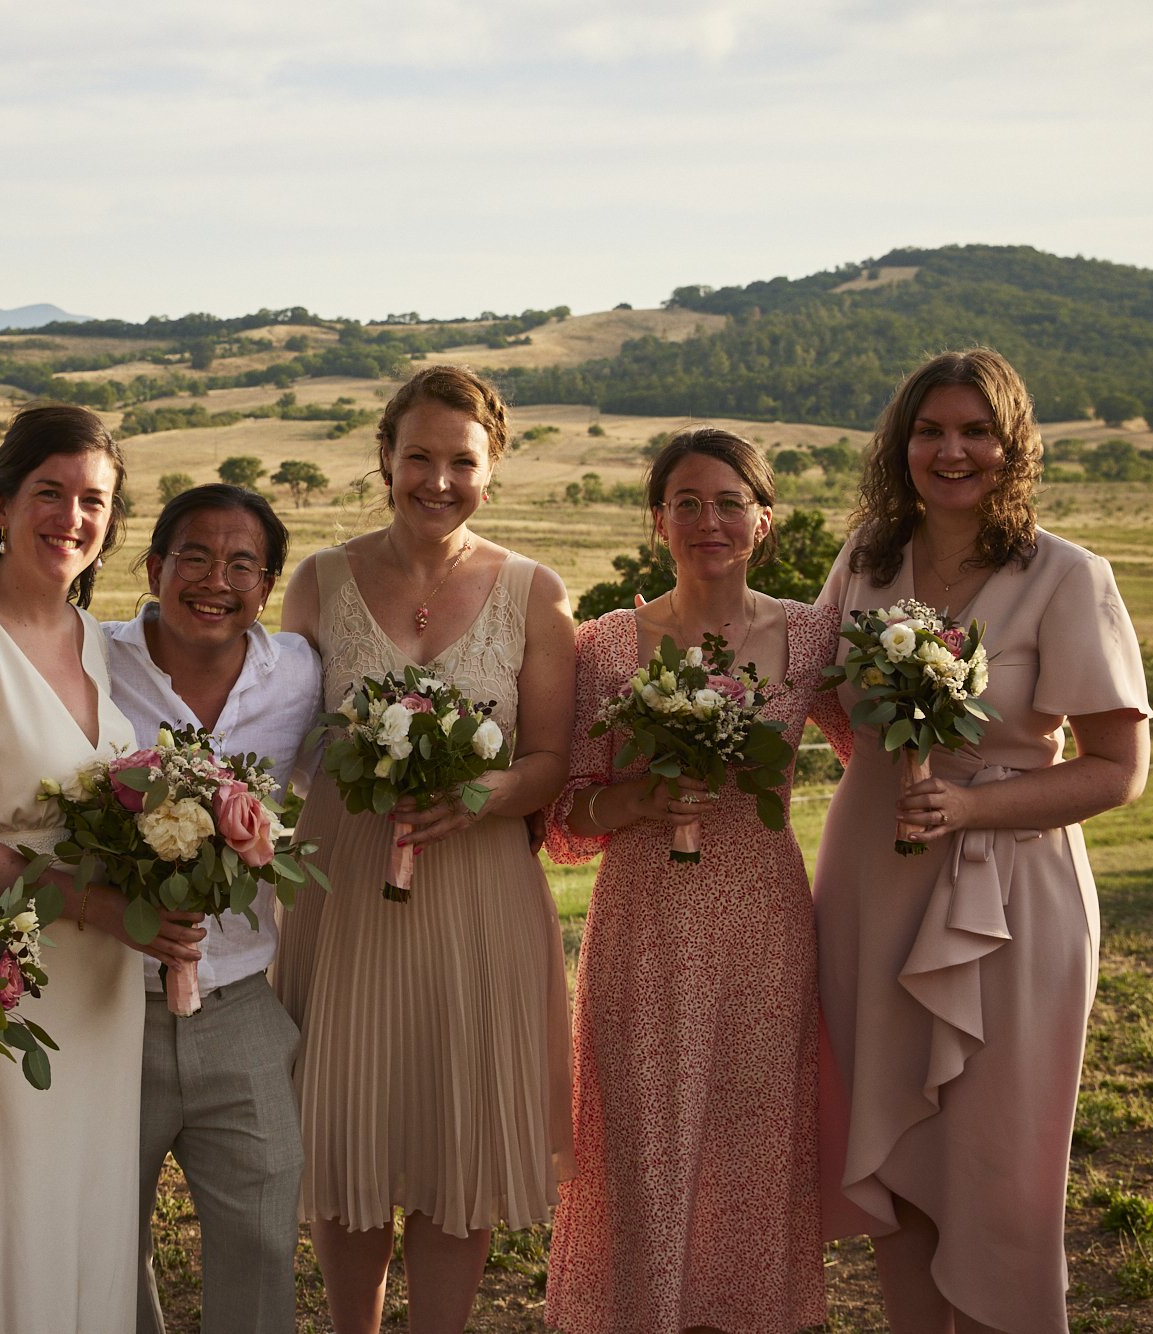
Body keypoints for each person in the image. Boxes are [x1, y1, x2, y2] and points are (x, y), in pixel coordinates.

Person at [815, 349, 1150, 1333]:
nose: (948, 450)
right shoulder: (865, 560)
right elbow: (833, 702)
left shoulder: (1065, 575)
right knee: (888, 1143)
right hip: (872, 877)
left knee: (1000, 1163)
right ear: (899, 444)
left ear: (1011, 445)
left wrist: (967, 806)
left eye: (973, 430)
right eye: (927, 430)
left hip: (1013, 898)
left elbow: (1114, 769)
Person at [271, 365, 576, 1334]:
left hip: (477, 896)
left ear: (491, 467)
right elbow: (288, 743)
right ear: (385, 458)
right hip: (345, 891)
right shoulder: (316, 580)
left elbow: (551, 761)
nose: (437, 479)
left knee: (459, 1145)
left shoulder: (533, 589)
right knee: (348, 1134)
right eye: (418, 457)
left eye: (461, 460)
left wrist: (483, 789)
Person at [541, 427, 849, 1333]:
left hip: (765, 922)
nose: (708, 521)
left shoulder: (809, 635)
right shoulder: (605, 647)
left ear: (763, 519)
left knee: (751, 1150)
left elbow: (874, 745)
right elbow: (563, 813)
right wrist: (635, 801)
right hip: (644, 923)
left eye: (728, 503)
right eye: (686, 502)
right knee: (644, 1145)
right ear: (657, 522)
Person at [0, 403, 183, 1334]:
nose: (72, 516)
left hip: (101, 982)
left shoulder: (91, 638)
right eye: (49, 493)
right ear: (3, 507)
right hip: (4, 973)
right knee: (0, 1202)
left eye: (93, 500)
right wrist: (96, 906)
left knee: (81, 1201)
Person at [101, 483, 322, 1334]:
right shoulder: (90, 660)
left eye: (242, 564)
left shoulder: (296, 673)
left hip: (241, 1007)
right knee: (108, 1242)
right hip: (107, 1007)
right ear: (155, 566)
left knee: (264, 1241)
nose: (214, 580)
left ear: (266, 585)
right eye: (193, 556)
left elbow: (332, 786)